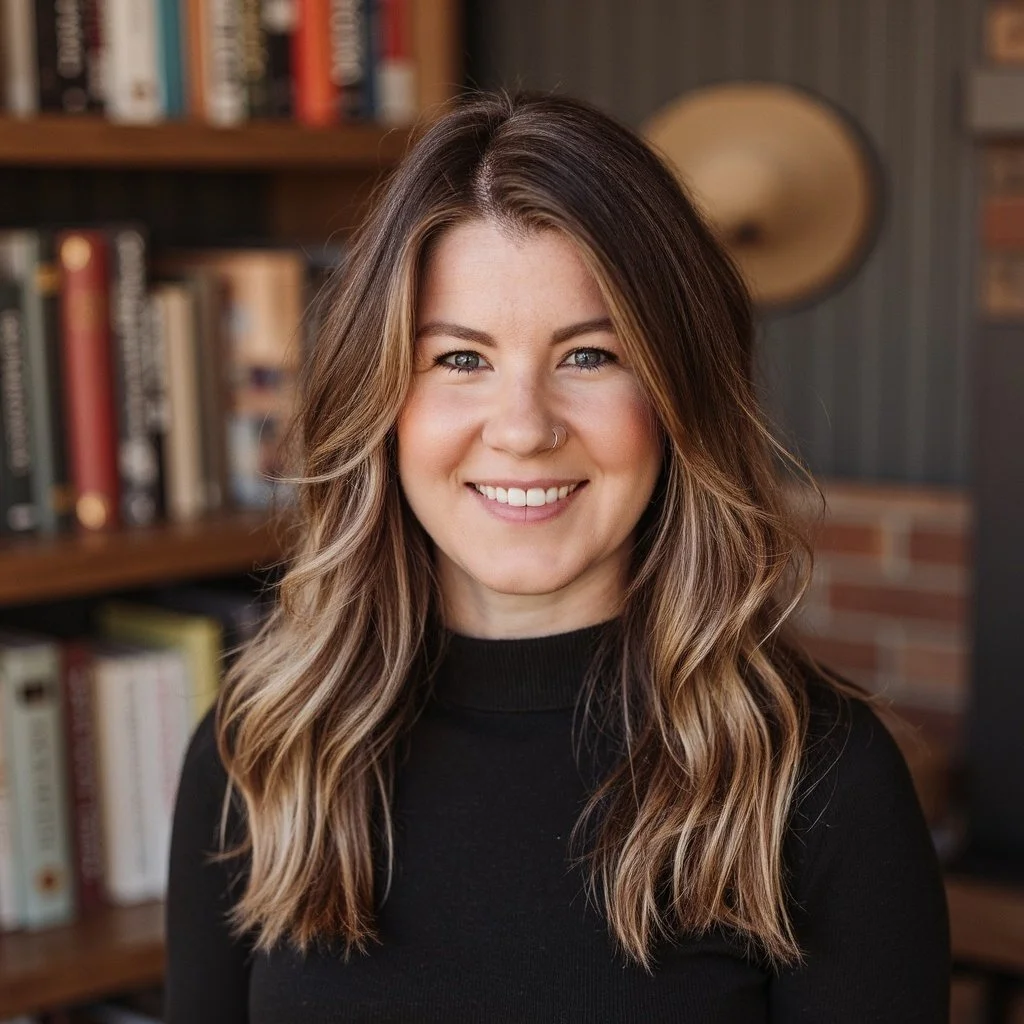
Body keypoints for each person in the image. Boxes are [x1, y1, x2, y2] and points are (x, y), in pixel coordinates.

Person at [164, 90, 950, 1023]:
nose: (525, 428)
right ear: (378, 401)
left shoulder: (820, 784)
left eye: (589, 356)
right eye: (460, 359)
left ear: (676, 396)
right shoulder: (259, 752)